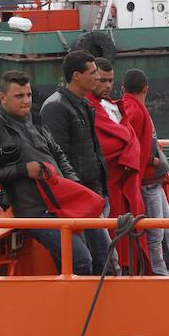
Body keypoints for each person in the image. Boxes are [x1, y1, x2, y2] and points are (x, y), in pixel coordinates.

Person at [0, 71, 93, 274]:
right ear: (3, 97)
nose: (26, 100)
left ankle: (71, 303)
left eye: (28, 95)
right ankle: (82, 304)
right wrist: (23, 170)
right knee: (80, 260)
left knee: (83, 256)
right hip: (33, 211)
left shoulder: (35, 120)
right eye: (19, 96)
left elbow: (58, 153)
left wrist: (74, 183)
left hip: (60, 203)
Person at [40, 50, 115, 275]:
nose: (97, 77)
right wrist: (76, 193)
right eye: (92, 73)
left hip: (92, 193)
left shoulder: (81, 104)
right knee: (95, 259)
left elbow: (91, 149)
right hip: (78, 199)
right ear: (76, 75)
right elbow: (56, 155)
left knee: (103, 257)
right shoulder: (57, 107)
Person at [122, 69, 169, 276]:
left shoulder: (131, 108)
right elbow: (135, 145)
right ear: (146, 89)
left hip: (153, 180)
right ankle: (161, 271)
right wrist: (152, 159)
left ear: (123, 88)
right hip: (149, 181)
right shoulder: (135, 110)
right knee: (157, 230)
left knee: (168, 228)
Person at [86, 58, 149, 274]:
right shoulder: (92, 108)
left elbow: (130, 141)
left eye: (110, 80)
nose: (106, 85)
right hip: (111, 186)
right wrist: (130, 146)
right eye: (101, 80)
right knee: (114, 243)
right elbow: (122, 142)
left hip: (125, 184)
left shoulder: (113, 107)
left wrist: (130, 145)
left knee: (131, 237)